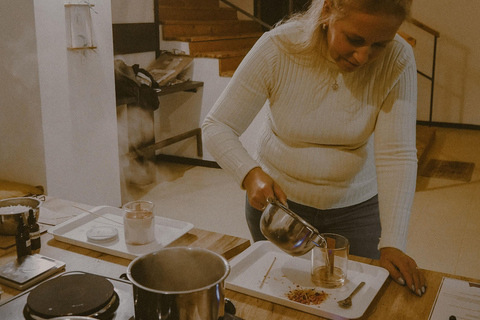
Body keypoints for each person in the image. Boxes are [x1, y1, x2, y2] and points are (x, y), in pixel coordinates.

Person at [202, 0, 426, 296]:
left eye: (379, 45)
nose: (363, 57)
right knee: (279, 297)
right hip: (281, 209)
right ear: (327, 11)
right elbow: (217, 125)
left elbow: (397, 155)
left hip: (357, 211)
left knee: (347, 298)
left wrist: (394, 241)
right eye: (354, 39)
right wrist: (250, 173)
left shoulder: (399, 58)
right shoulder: (278, 47)